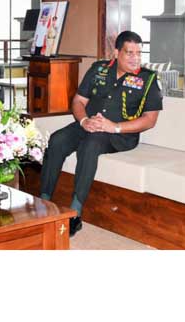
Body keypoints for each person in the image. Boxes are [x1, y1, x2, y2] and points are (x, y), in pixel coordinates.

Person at [40, 31, 163, 236]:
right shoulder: (99, 70)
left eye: (139, 53)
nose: (135, 58)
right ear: (116, 53)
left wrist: (114, 126)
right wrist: (84, 121)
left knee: (90, 145)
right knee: (57, 139)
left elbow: (150, 119)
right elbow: (79, 101)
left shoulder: (147, 79)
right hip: (87, 125)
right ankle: (43, 202)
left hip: (119, 135)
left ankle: (75, 213)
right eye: (129, 53)